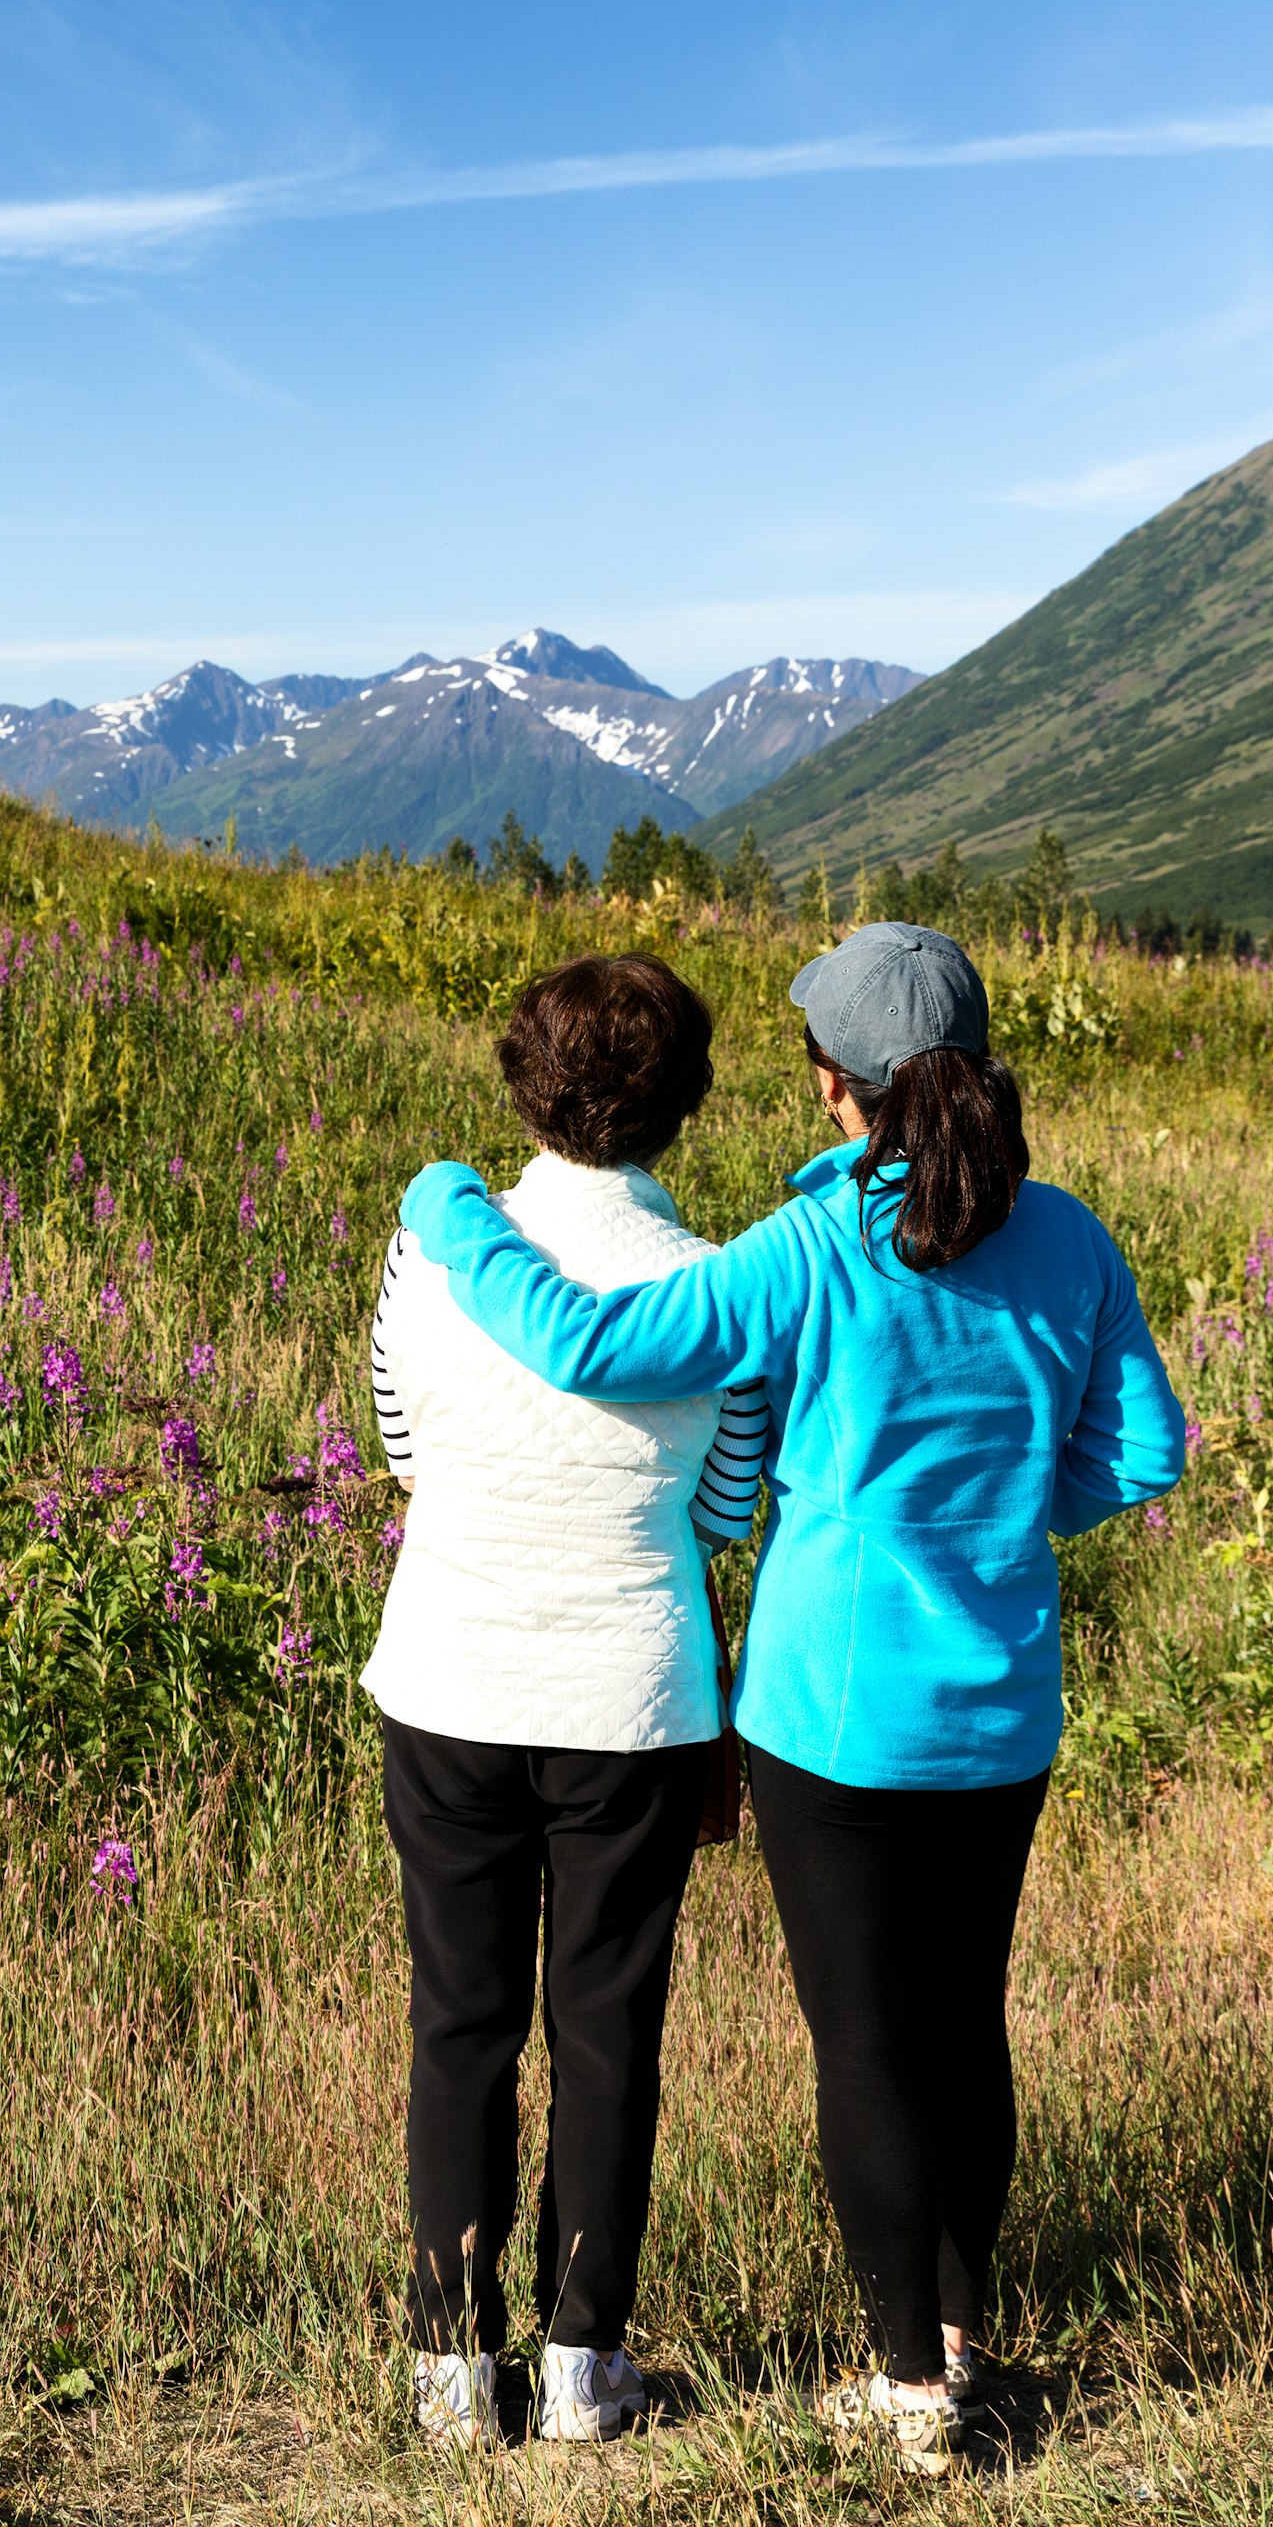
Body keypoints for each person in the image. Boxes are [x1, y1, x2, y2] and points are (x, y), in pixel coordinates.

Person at [394, 921, 1184, 2476]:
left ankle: (907, 2390)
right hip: (1006, 1699)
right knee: (966, 2025)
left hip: (828, 1711)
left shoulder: (813, 1246)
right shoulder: (1073, 1240)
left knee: (866, 2045)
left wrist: (451, 1208)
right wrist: (1009, 1519)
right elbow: (1144, 1453)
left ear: (836, 1084)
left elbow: (592, 1340)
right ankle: (957, 2341)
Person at [360, 952, 768, 2453]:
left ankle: (453, 2373)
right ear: (687, 1105)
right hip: (635, 1695)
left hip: (452, 1672)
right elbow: (726, 1505)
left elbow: (400, 1437)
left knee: (458, 2021)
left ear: (521, 1085)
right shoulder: (719, 1284)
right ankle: (586, 2364)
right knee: (609, 2030)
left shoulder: (436, 1253)